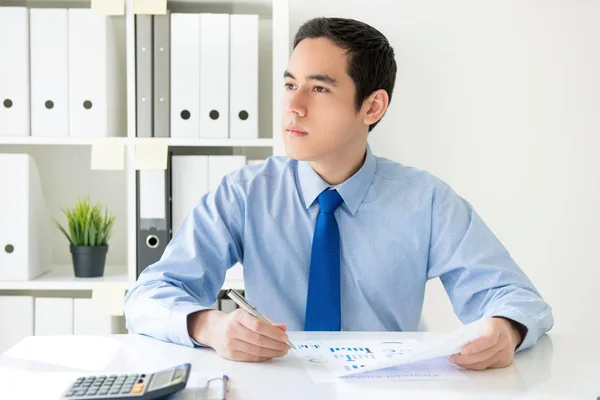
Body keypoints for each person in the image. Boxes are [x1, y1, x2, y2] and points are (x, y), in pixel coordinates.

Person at [124, 17, 553, 371]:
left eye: (320, 88)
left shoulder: (427, 201)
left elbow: (517, 298)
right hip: (275, 387)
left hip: (388, 390)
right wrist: (208, 326)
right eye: (291, 85)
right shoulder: (244, 193)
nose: (293, 106)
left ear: (373, 107)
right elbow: (148, 297)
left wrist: (506, 329)